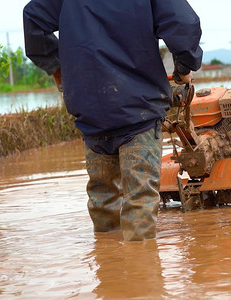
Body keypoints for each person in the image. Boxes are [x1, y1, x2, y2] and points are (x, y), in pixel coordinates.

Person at [23, 0, 202, 241]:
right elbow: (183, 23)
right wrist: (185, 65)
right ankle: (140, 268)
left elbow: (33, 20)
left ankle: (109, 268)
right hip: (139, 110)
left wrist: (58, 67)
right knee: (139, 203)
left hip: (91, 111)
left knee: (103, 201)